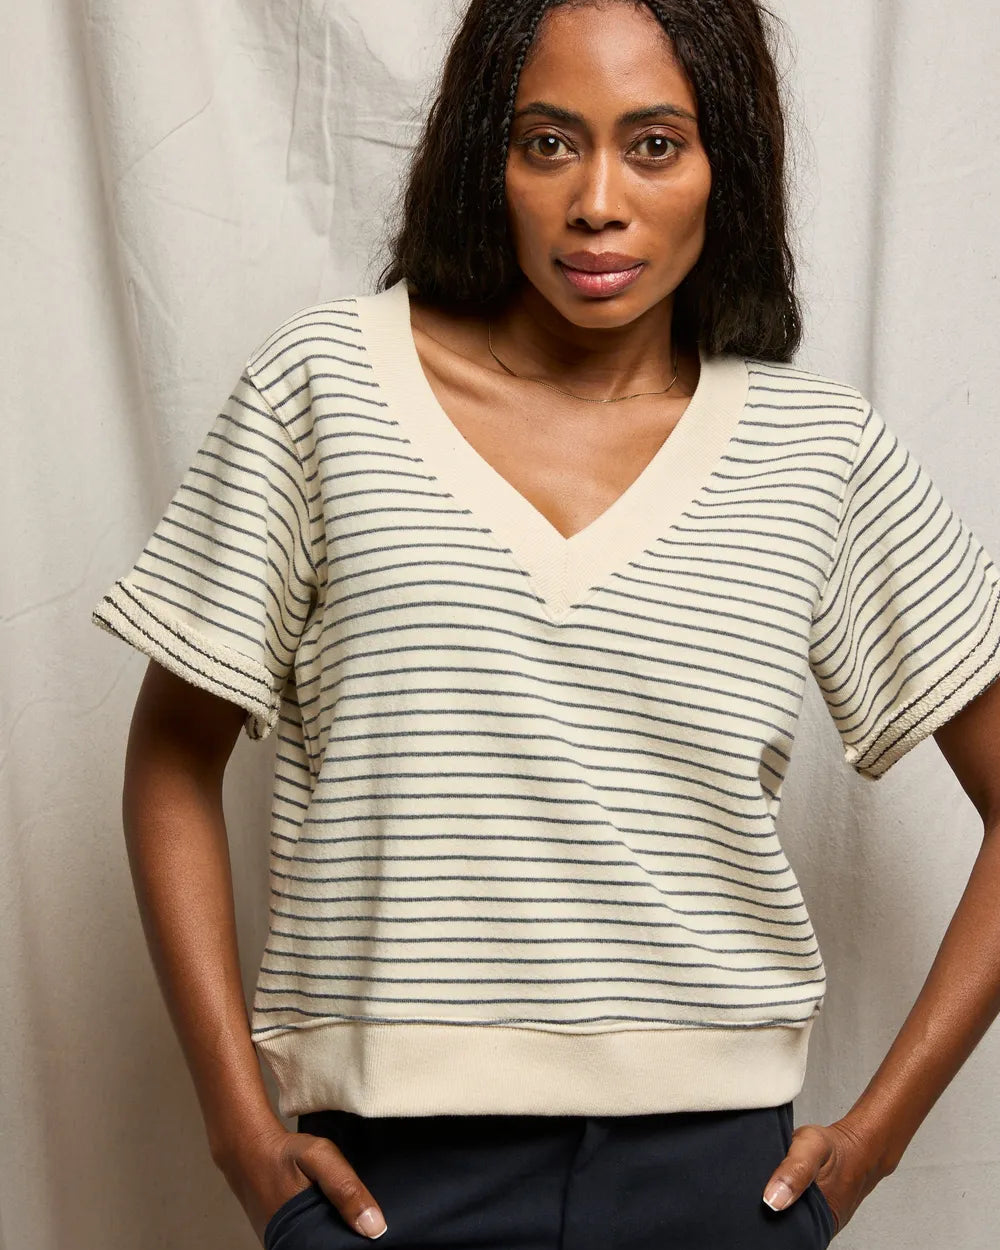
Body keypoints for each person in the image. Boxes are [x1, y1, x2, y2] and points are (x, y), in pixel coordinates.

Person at [90, 1, 1000, 1247]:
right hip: (383, 1189)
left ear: (725, 162)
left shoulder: (816, 453)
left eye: (655, 143)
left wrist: (871, 1145)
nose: (598, 203)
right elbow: (173, 754)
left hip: (716, 1185)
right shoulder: (325, 390)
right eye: (548, 142)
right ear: (486, 159)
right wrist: (237, 1126)